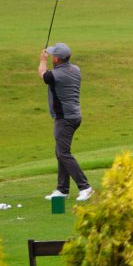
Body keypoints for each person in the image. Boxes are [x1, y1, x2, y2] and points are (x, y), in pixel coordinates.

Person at [39, 43, 93, 201]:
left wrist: (42, 60)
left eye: (52, 55)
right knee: (60, 152)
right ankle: (62, 190)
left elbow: (43, 75)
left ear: (56, 59)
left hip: (65, 119)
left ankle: (85, 187)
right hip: (73, 116)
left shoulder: (56, 75)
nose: (51, 57)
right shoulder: (75, 69)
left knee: (63, 153)